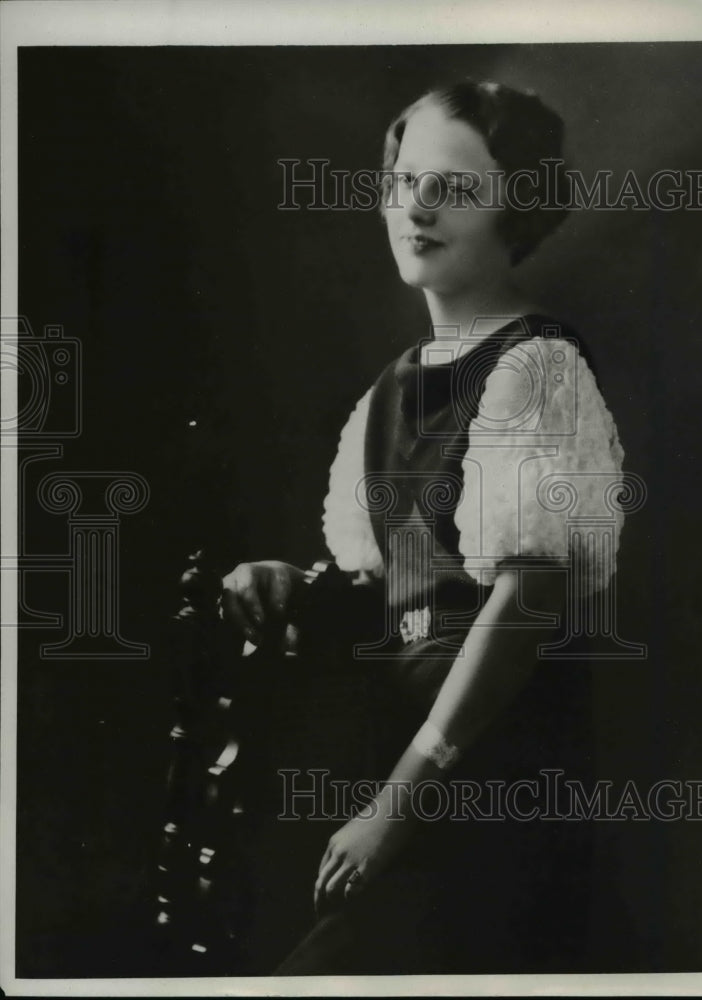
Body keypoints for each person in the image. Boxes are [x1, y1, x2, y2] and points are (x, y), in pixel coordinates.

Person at [222, 80, 625, 974]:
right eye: (404, 181)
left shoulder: (538, 369)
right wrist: (301, 584)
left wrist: (402, 800)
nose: (418, 206)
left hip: (494, 781)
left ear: (516, 205)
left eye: (456, 186)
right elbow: (403, 584)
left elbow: (523, 602)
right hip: (398, 766)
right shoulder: (392, 390)